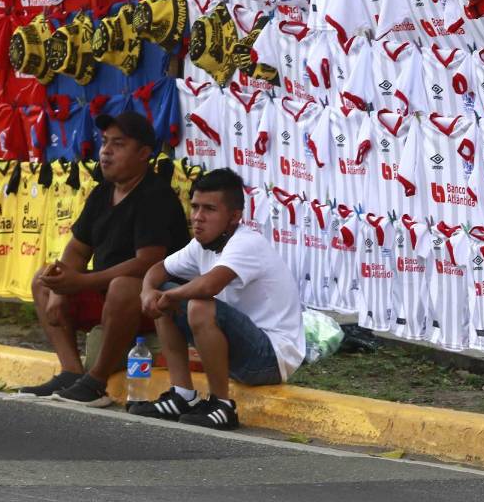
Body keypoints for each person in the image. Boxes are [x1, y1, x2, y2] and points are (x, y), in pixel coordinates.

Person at [17, 110, 190, 407]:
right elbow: (77, 249)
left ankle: (96, 383)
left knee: (123, 286)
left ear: (144, 154)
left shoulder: (154, 195)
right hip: (106, 293)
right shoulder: (102, 192)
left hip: (157, 301)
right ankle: (72, 372)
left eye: (118, 144)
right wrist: (61, 287)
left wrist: (80, 281)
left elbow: (147, 262)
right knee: (43, 281)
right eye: (104, 142)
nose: (106, 151)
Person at [134, 168, 306, 430]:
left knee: (198, 305)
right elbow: (158, 270)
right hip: (239, 349)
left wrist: (167, 295)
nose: (198, 218)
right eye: (194, 207)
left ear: (234, 216)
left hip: (271, 358)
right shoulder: (202, 244)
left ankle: (222, 405)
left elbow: (208, 286)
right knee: (166, 299)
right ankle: (182, 395)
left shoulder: (246, 243)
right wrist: (148, 291)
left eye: (209, 210)